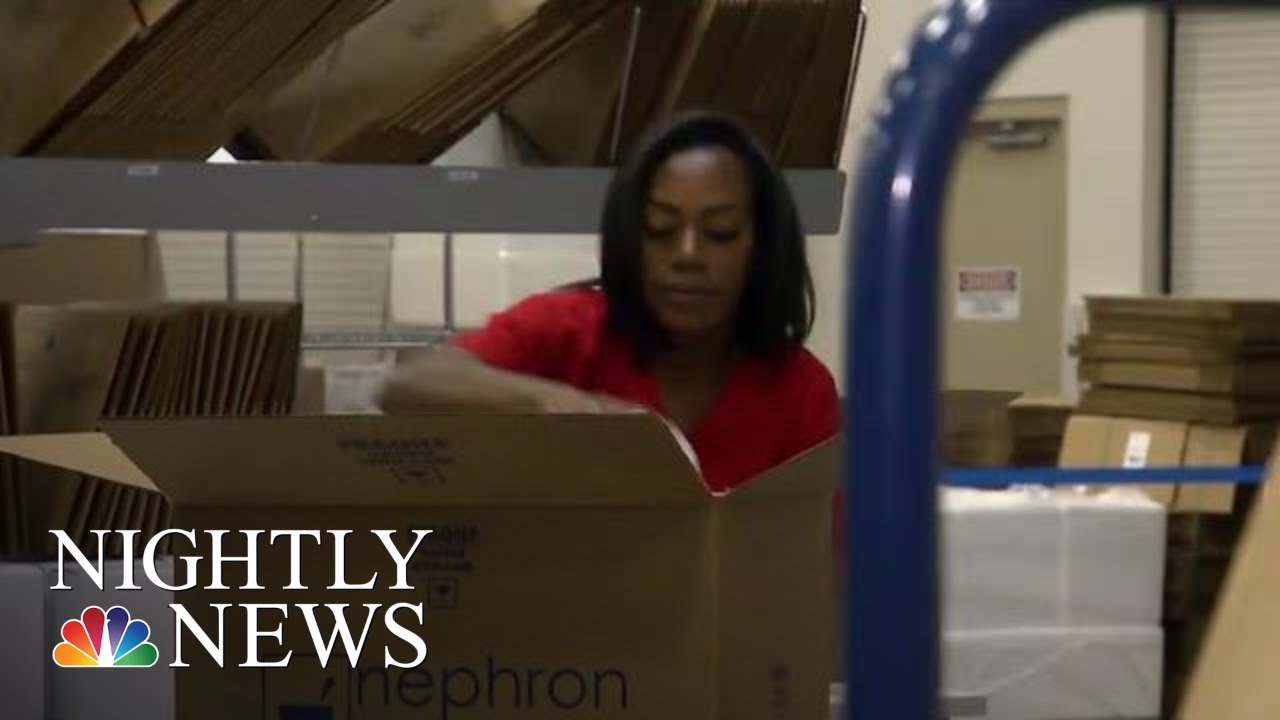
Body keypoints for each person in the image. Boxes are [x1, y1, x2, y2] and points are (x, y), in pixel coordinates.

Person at [379, 112, 840, 493]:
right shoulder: (571, 329)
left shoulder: (800, 392)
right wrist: (556, 403)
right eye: (659, 229)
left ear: (764, 247)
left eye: (720, 232)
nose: (687, 256)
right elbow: (409, 382)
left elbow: (824, 568)